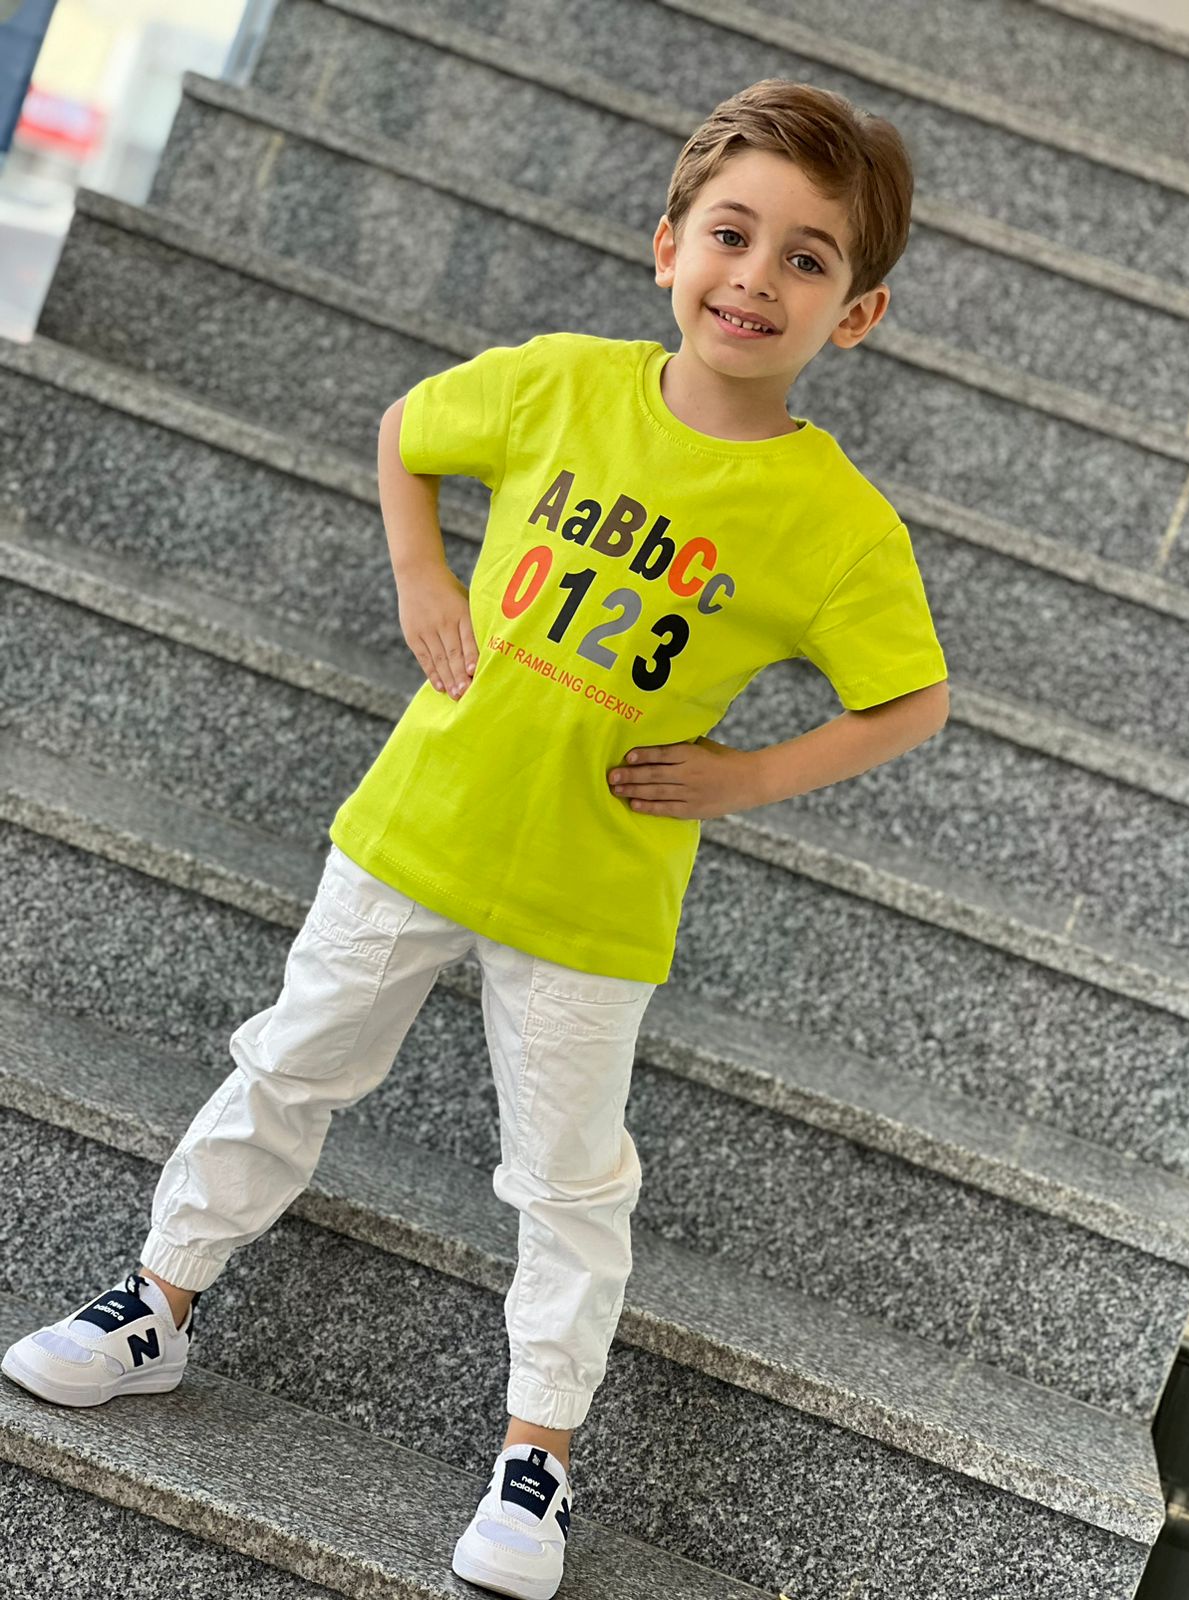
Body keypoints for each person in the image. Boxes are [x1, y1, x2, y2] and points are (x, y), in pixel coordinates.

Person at [2, 77, 950, 1600]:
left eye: (806, 258)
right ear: (668, 245)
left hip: (594, 895)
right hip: (417, 830)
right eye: (731, 234)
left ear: (858, 313)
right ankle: (156, 1304)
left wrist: (747, 778)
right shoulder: (560, 383)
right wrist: (420, 578)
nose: (756, 277)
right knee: (288, 1066)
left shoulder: (836, 523)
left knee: (569, 1186)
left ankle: (535, 1458)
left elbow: (910, 700)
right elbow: (409, 430)